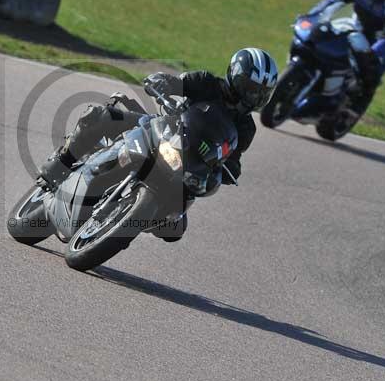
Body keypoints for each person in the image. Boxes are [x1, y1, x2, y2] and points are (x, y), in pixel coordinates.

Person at [38, 48, 279, 240]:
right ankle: (62, 163)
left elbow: (233, 158)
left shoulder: (247, 128)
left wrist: (232, 168)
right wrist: (162, 82)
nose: (253, 97)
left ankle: (133, 217)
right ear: (235, 77)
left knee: (175, 229)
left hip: (191, 165)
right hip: (165, 130)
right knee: (100, 116)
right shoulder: (207, 83)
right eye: (250, 89)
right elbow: (176, 83)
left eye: (260, 93)